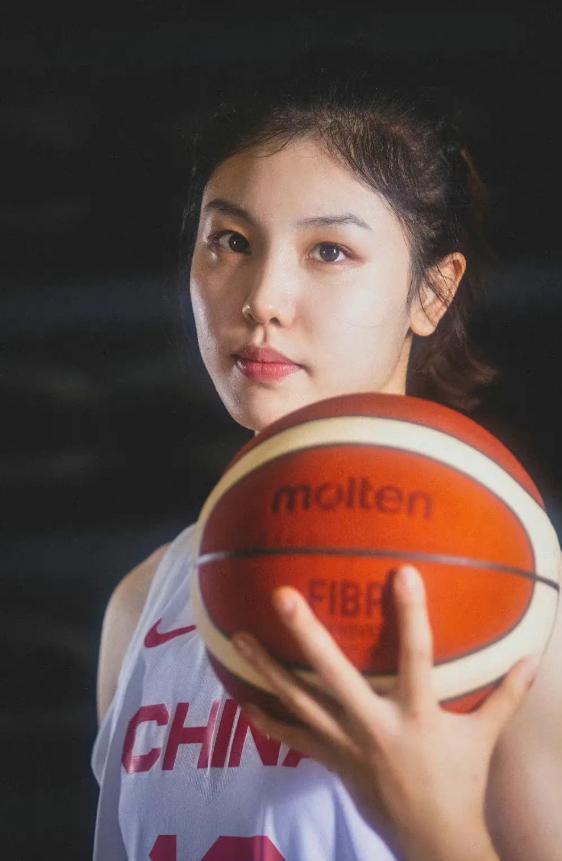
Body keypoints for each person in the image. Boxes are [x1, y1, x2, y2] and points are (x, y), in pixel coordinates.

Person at [92, 50, 562, 861]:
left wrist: (434, 826)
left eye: (329, 251)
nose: (262, 300)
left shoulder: (513, 597)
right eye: (231, 240)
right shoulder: (143, 604)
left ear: (432, 291)